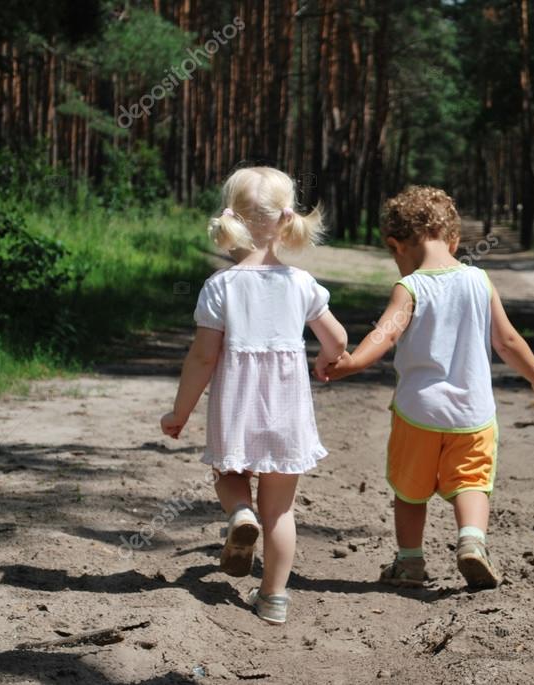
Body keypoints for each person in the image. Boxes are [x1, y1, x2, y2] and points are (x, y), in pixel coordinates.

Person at [318, 186, 534, 590]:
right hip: (473, 415)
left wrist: (352, 362)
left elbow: (386, 334)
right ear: (455, 240)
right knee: (473, 482)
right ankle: (471, 542)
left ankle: (410, 562)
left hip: (418, 413)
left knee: (410, 491)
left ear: (396, 245)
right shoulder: (479, 281)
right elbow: (508, 341)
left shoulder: (411, 287)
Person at [161, 166, 347, 624]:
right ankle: (274, 597)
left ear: (232, 220)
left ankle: (240, 512)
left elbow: (203, 358)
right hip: (286, 409)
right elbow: (338, 340)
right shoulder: (302, 283)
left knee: (229, 473)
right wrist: (326, 360)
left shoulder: (220, 286)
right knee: (281, 509)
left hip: (237, 406)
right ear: (287, 221)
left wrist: (179, 412)